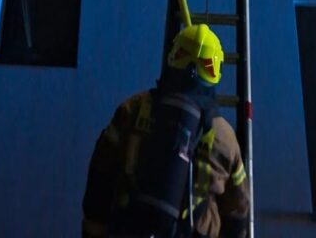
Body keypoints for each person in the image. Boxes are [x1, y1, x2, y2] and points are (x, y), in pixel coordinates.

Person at [82, 24, 249, 238]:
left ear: (173, 57)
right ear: (214, 72)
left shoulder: (132, 110)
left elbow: (100, 177)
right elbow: (238, 208)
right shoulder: (224, 136)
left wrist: (92, 232)